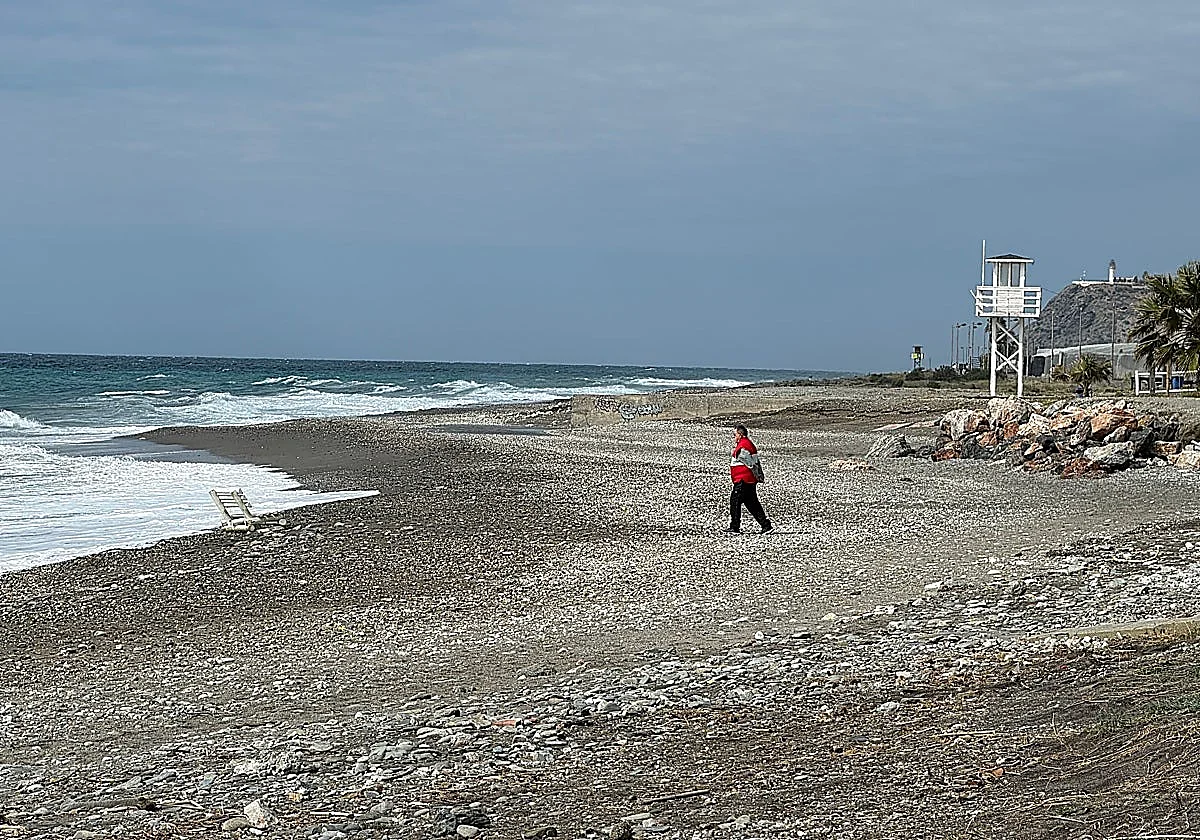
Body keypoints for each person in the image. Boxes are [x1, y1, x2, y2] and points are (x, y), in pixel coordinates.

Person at [726, 424, 772, 534]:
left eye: (735, 435)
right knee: (752, 503)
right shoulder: (748, 444)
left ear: (740, 435)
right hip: (748, 480)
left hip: (743, 479)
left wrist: (757, 474)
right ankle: (766, 525)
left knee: (735, 501)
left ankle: (735, 526)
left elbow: (750, 463)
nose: (734, 437)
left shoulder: (743, 446)